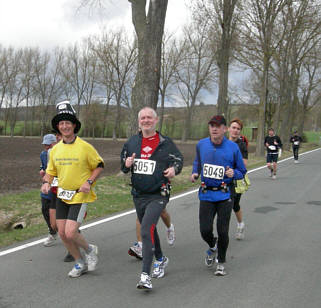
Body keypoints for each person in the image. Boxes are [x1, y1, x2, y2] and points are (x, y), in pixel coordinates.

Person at [121, 107, 183, 290]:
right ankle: (161, 259)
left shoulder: (165, 143)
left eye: (149, 118)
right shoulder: (132, 143)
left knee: (146, 230)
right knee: (151, 230)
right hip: (138, 194)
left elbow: (178, 160)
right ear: (139, 121)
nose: (146, 120)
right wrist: (127, 164)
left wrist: (173, 170)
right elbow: (123, 166)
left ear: (156, 120)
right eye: (143, 118)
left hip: (159, 193)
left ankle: (145, 276)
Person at [41, 100, 104, 278]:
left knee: (70, 232)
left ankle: (90, 250)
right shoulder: (54, 151)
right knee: (62, 233)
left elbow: (99, 165)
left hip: (79, 195)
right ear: (58, 128)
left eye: (68, 122)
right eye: (61, 123)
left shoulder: (85, 147)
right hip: (62, 194)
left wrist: (89, 182)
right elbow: (50, 171)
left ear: (74, 125)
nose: (65, 126)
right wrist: (46, 182)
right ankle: (79, 262)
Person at [190, 115, 246, 276]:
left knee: (223, 231)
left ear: (224, 129)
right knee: (205, 230)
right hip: (207, 193)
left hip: (225, 194)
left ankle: (221, 262)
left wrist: (233, 172)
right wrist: (195, 173)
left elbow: (242, 171)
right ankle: (212, 245)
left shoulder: (233, 148)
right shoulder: (201, 144)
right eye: (211, 125)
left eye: (218, 126)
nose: (214, 128)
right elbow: (197, 163)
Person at [228, 118, 248, 240]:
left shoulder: (241, 146)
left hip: (237, 180)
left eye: (238, 129)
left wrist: (233, 170)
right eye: (233, 128)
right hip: (223, 179)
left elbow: (244, 165)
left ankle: (240, 224)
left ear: (240, 131)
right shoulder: (222, 142)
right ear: (228, 129)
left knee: (234, 205)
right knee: (223, 205)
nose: (235, 131)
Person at [39, 134, 58, 247]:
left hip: (59, 187)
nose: (47, 147)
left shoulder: (60, 154)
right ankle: (52, 232)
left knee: (62, 214)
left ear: (54, 143)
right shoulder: (43, 154)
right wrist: (42, 171)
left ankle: (73, 234)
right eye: (45, 145)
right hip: (46, 186)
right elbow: (42, 166)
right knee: (45, 209)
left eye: (49, 144)